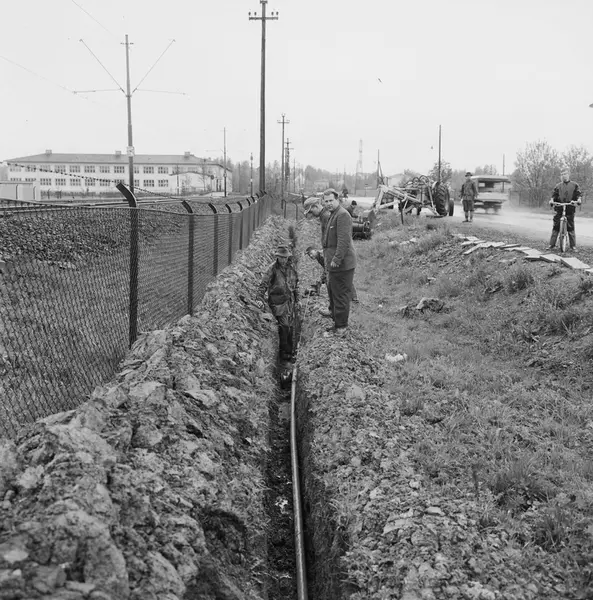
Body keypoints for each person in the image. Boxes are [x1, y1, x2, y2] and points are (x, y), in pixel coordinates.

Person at [321, 188, 357, 335]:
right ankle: (337, 323)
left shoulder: (342, 215)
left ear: (337, 200)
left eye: (331, 200)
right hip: (334, 264)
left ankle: (341, 327)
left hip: (342, 264)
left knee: (341, 295)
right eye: (326, 201)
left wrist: (336, 259)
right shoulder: (333, 214)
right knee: (334, 293)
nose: (328, 203)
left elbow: (344, 240)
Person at [258, 245, 299, 360]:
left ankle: (290, 352)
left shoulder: (291, 268)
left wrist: (298, 299)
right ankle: (283, 354)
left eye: (285, 257)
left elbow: (296, 285)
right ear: (277, 257)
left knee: (291, 327)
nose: (283, 260)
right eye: (281, 257)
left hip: (289, 302)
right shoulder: (272, 269)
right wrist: (259, 298)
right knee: (284, 326)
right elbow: (264, 284)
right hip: (277, 303)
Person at [548, 168, 582, 251]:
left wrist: (578, 200)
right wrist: (552, 201)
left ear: (568, 174)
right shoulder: (558, 186)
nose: (563, 176)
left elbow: (578, 194)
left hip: (570, 207)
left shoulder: (574, 185)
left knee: (570, 227)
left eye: (565, 174)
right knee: (556, 226)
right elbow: (554, 195)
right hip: (559, 208)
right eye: (562, 174)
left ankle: (573, 246)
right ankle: (552, 244)